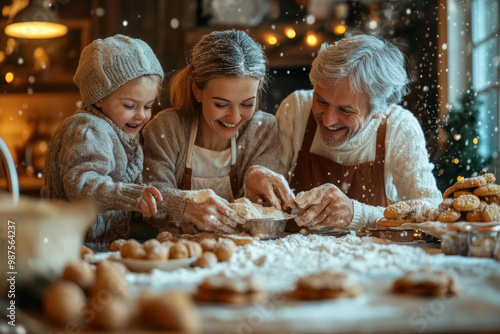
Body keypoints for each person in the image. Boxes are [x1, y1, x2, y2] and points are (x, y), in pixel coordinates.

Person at [244, 34, 442, 231]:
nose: (328, 120)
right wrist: (255, 178)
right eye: (321, 101)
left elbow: (431, 209)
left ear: (377, 112)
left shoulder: (399, 127)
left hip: (373, 260)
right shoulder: (296, 110)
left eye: (345, 110)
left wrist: (357, 214)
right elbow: (263, 202)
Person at [142, 30, 279, 234]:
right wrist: (186, 206)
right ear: (197, 90)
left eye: (247, 104)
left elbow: (271, 225)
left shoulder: (262, 130)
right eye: (221, 104)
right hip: (179, 255)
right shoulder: (166, 128)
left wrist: (260, 200)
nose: (234, 118)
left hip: (243, 254)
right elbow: (151, 204)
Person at [42, 35, 164, 249]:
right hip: (70, 249)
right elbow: (83, 186)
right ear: (98, 98)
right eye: (129, 105)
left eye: (147, 106)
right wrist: (133, 195)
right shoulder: (89, 129)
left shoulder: (119, 133)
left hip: (99, 250)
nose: (141, 116)